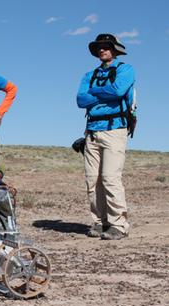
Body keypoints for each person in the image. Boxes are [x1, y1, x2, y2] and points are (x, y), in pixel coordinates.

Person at [76, 34, 136, 240]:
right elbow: (81, 100)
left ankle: (119, 224)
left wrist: (95, 93)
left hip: (114, 129)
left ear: (114, 49)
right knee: (92, 180)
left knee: (111, 178)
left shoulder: (126, 70)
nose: (102, 50)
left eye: (106, 46)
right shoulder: (88, 75)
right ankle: (100, 222)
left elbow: (118, 90)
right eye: (99, 47)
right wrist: (104, 93)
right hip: (92, 132)